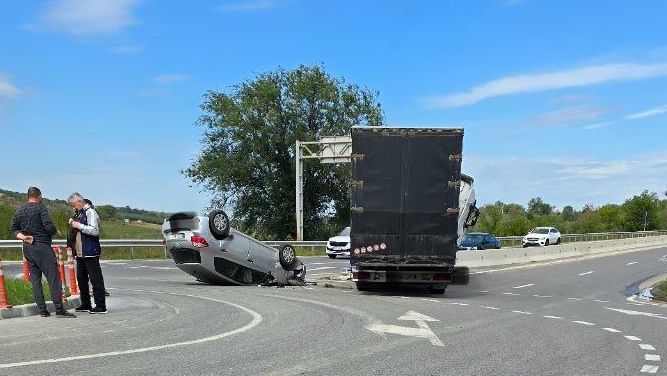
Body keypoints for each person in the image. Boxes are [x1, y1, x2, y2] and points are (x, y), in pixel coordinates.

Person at [10, 187, 76, 318]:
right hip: (42, 247)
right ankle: (59, 310)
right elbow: (48, 226)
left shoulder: (20, 210)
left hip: (28, 248)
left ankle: (43, 310)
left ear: (28, 196)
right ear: (39, 196)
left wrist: (24, 237)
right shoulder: (41, 208)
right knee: (53, 278)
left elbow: (13, 229)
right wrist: (56, 232)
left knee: (35, 280)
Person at [68, 193, 107, 314]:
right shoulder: (79, 214)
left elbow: (95, 230)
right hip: (80, 253)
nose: (74, 208)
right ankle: (85, 303)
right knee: (81, 279)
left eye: (74, 205)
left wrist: (78, 225)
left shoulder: (91, 212)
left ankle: (101, 305)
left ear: (80, 201)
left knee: (95, 279)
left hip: (90, 251)